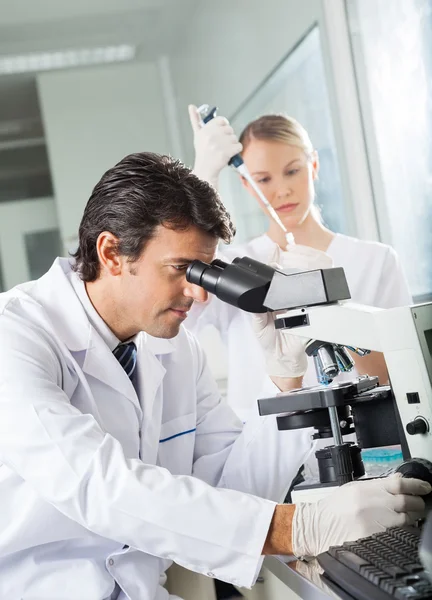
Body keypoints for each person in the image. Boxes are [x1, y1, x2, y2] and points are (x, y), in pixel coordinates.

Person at [0, 152, 428, 600]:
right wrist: (299, 527)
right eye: (181, 270)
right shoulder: (17, 335)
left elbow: (232, 484)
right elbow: (97, 485)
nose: (199, 294)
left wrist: (287, 380)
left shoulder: (172, 348)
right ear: (111, 253)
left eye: (205, 270)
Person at [187, 106, 412, 420]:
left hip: (363, 443)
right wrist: (203, 180)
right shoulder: (230, 266)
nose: (282, 190)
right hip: (264, 447)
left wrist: (335, 313)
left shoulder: (375, 260)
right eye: (263, 179)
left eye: (292, 170)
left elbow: (400, 374)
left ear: (314, 165)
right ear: (247, 186)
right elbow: (177, 322)